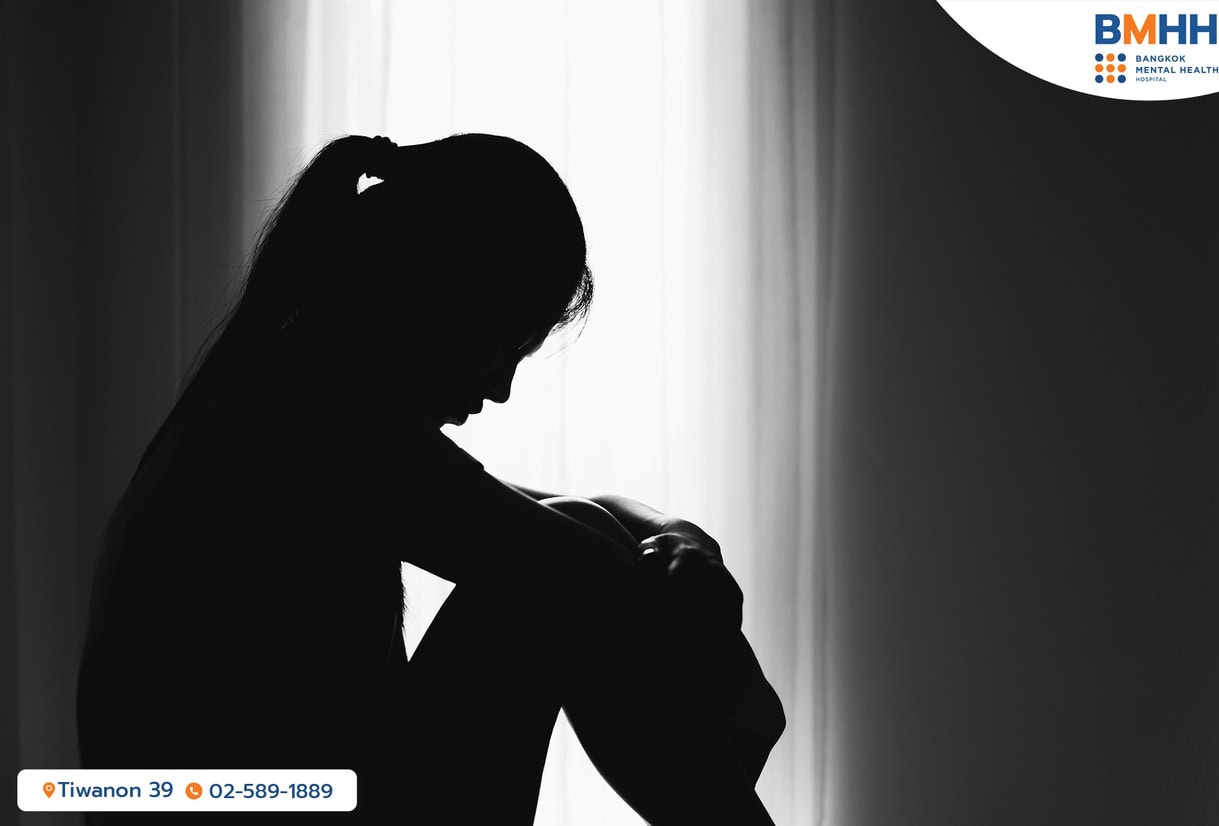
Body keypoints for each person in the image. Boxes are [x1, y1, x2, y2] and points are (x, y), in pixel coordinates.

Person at [77, 133, 785, 825]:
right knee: (546, 586)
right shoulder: (317, 419)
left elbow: (571, 517)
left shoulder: (279, 398)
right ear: (440, 292)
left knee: (561, 560)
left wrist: (686, 545)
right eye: (507, 343)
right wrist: (731, 679)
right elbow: (573, 563)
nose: (502, 388)